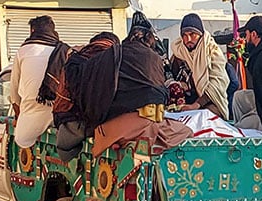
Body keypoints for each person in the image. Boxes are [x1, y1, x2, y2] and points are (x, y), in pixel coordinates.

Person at [77, 11, 192, 157]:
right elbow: (159, 96)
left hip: (105, 129)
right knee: (185, 131)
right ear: (149, 39)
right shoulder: (153, 58)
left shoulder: (109, 55)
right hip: (139, 127)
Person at [53, 31, 120, 162]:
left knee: (64, 152)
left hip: (75, 125)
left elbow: (62, 101)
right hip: (110, 125)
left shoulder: (74, 60)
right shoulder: (120, 61)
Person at [10, 15, 70, 148]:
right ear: (53, 31)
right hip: (62, 115)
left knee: (21, 141)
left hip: (32, 111)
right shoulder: (64, 51)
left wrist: (18, 116)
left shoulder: (24, 50)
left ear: (32, 31)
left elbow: (14, 92)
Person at [169, 13, 230, 119]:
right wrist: (177, 84)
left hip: (209, 102)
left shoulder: (212, 52)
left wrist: (196, 105)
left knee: (203, 118)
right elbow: (169, 76)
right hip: (183, 104)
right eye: (184, 35)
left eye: (192, 34)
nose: (188, 39)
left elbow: (217, 84)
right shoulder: (178, 52)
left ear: (201, 35)